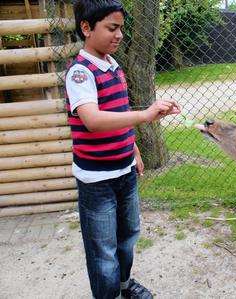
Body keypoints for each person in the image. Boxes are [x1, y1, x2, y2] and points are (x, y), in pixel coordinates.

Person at [66, 1, 180, 298]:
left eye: (121, 29)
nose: (119, 35)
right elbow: (92, 120)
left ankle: (124, 285)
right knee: (103, 249)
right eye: (112, 28)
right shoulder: (80, 73)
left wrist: (134, 149)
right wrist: (145, 115)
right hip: (96, 181)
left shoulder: (114, 66)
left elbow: (119, 111)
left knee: (128, 236)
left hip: (124, 171)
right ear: (86, 28)